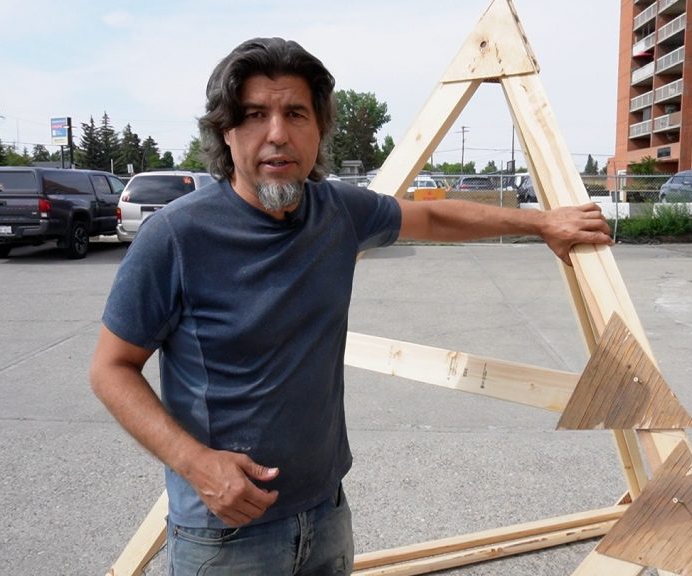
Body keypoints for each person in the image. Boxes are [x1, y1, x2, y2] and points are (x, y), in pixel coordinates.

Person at [90, 37, 612, 575]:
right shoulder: (176, 236)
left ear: (318, 130)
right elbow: (111, 368)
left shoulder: (337, 211)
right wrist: (196, 464)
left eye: (295, 113)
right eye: (254, 115)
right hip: (224, 536)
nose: (276, 134)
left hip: (325, 514)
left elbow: (434, 219)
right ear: (227, 132)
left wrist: (542, 222)